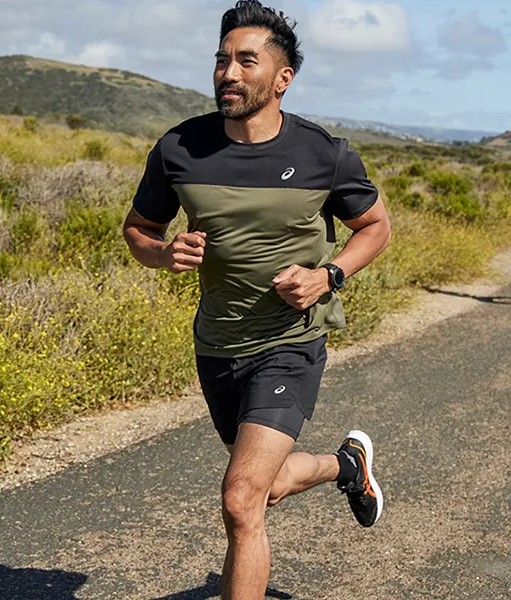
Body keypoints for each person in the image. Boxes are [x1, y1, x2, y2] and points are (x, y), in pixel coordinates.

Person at [121, 2, 391, 598]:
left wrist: (329, 276)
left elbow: (375, 227)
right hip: (217, 343)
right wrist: (163, 253)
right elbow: (138, 229)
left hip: (290, 341)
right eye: (222, 60)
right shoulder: (179, 148)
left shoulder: (325, 154)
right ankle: (348, 466)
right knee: (264, 486)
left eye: (247, 60)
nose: (229, 73)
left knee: (241, 500)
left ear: (282, 78)